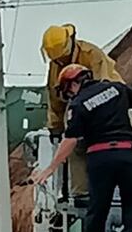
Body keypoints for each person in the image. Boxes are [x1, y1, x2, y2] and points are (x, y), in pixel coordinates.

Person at [30, 63, 132, 232]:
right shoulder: (117, 88)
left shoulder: (78, 104)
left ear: (72, 84)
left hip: (100, 157)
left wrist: (50, 168)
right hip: (128, 153)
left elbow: (70, 140)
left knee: (97, 208)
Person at [42, 24, 125, 205]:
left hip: (111, 104)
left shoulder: (91, 54)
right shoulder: (55, 66)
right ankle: (81, 192)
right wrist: (55, 127)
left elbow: (104, 88)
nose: (60, 62)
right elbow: (55, 99)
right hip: (80, 110)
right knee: (75, 144)